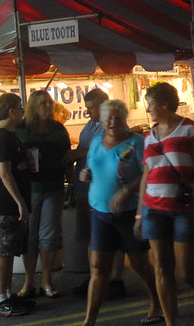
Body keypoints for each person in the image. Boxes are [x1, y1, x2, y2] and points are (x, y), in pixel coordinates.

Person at [137, 82, 194, 326]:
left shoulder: (190, 129)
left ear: (165, 104)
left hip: (187, 209)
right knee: (161, 269)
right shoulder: (149, 136)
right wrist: (139, 214)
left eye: (151, 104)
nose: (149, 109)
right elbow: (147, 175)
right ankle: (171, 322)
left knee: (187, 272)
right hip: (154, 209)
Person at [79, 99, 161, 326]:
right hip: (100, 213)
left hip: (127, 213)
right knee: (98, 268)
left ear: (125, 119)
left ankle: (157, 302)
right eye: (108, 119)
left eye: (117, 118)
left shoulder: (136, 143)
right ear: (102, 121)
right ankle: (90, 320)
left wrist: (125, 191)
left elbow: (147, 173)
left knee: (139, 265)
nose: (112, 122)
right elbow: (92, 167)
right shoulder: (96, 142)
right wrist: (86, 174)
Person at [16, 89, 72, 298]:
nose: (48, 107)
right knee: (29, 236)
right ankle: (29, 281)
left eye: (49, 103)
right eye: (43, 104)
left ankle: (47, 281)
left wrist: (72, 183)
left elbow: (67, 159)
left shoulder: (58, 129)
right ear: (33, 107)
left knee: (48, 236)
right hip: (30, 189)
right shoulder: (22, 130)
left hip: (54, 187)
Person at [73, 89, 127, 300]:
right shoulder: (90, 126)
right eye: (86, 108)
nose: (88, 112)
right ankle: (96, 275)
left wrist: (77, 153)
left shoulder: (114, 126)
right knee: (92, 236)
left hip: (108, 189)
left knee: (112, 236)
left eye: (91, 107)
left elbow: (113, 149)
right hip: (87, 190)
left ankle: (115, 279)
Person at [0, 93, 33, 317]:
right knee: (4, 252)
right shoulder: (3, 138)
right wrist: (19, 203)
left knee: (12, 249)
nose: (23, 110)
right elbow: (5, 175)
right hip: (7, 204)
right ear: (11, 111)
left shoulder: (11, 136)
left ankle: (7, 293)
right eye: (20, 107)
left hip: (16, 202)